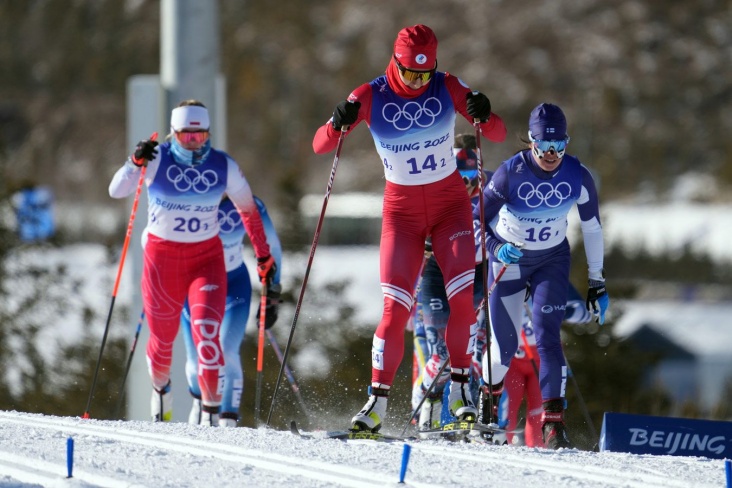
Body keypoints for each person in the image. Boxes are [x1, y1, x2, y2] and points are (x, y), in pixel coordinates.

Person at [313, 23, 507, 433]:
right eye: (410, 73)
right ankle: (377, 403)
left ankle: (459, 392)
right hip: (401, 214)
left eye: (425, 73)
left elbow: (497, 132)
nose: (419, 82)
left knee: (461, 303)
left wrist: (484, 114)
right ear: (395, 62)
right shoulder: (370, 95)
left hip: (451, 209)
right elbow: (320, 146)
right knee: (394, 310)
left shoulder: (447, 86)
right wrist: (336, 123)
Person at [109, 100, 276, 425]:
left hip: (205, 261)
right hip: (162, 261)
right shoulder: (157, 159)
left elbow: (248, 211)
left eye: (200, 137)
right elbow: (116, 190)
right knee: (162, 344)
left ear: (208, 134)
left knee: (208, 338)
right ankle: (161, 392)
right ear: (174, 134)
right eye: (187, 137)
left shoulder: (222, 165)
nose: (194, 144)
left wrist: (263, 255)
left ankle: (211, 421)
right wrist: (134, 161)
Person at [474, 102, 609, 449]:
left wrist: (597, 280)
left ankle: (553, 425)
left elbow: (592, 228)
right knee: (506, 348)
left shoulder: (577, 175)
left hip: (552, 260)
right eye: (544, 146)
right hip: (512, 260)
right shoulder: (509, 174)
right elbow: (477, 218)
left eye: (558, 146)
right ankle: (488, 404)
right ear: (531, 141)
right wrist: (494, 247)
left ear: (566, 142)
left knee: (548, 337)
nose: (551, 154)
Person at [409, 133, 489, 432]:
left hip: (474, 276)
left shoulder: (489, 194)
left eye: (471, 174)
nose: (466, 181)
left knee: (468, 353)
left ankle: (464, 415)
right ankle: (422, 402)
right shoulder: (432, 190)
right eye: (459, 174)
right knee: (440, 355)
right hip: (435, 275)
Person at [181, 195, 282, 427]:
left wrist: (273, 292)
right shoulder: (189, 199)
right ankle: (200, 405)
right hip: (194, 285)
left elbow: (272, 245)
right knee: (198, 359)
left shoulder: (247, 202)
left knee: (226, 351)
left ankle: (228, 421)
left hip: (233, 286)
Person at [500, 284, 592, 447]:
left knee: (539, 418)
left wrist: (558, 313)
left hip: (543, 359)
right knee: (506, 414)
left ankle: (543, 462)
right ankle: (499, 456)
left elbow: (586, 313)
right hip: (512, 360)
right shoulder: (509, 275)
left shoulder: (549, 277)